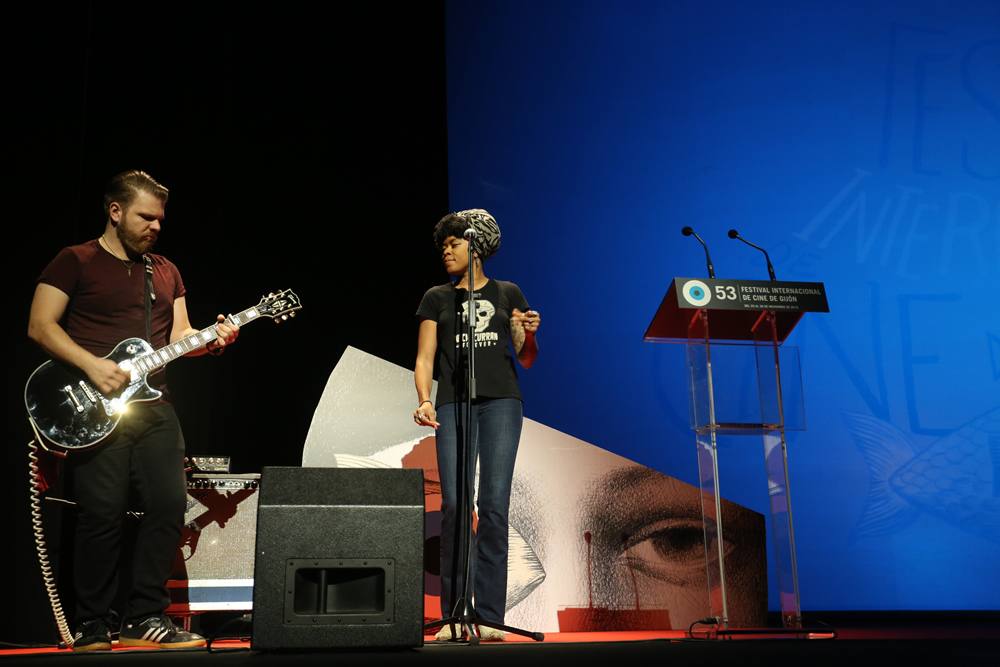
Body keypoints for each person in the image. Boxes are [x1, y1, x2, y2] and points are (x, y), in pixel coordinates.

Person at [27, 170, 239, 651]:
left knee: (168, 504)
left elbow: (181, 339)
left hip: (153, 404)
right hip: (92, 406)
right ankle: (92, 623)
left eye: (161, 219)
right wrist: (92, 366)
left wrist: (214, 341)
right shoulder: (75, 260)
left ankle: (146, 616)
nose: (156, 227)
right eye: (146, 216)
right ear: (115, 211)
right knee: (100, 513)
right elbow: (40, 325)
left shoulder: (165, 271)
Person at [413, 209, 541, 641]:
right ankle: (454, 615)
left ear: (477, 247)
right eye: (443, 246)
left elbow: (526, 357)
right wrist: (424, 400)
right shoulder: (436, 298)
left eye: (454, 244)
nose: (446, 251)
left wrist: (530, 333)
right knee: (454, 504)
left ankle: (488, 616)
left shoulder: (508, 292)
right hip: (453, 404)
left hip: (502, 403)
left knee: (494, 506)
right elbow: (424, 357)